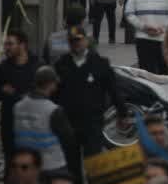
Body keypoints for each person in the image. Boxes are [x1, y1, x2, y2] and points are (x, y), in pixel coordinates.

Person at [51, 27, 122, 156]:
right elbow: (54, 93)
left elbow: (113, 90)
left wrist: (123, 112)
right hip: (69, 122)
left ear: (86, 41)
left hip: (92, 122)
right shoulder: (61, 65)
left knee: (93, 160)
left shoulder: (100, 63)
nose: (76, 44)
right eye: (72, 41)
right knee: (71, 160)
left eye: (78, 40)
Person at [12, 67, 78, 182]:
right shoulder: (53, 110)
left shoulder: (17, 107)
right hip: (52, 166)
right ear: (50, 84)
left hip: (25, 165)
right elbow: (69, 139)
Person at [0, 31, 41, 163]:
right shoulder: (2, 68)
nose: (6, 48)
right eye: (5, 44)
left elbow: (50, 90)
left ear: (22, 45)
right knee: (11, 163)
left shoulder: (38, 66)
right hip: (10, 125)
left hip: (33, 125)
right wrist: (2, 90)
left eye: (10, 44)